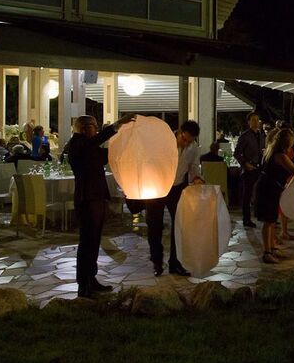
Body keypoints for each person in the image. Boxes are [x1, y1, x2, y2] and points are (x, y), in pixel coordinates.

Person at [69, 113, 135, 297]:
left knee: (95, 240)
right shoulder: (78, 144)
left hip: (96, 198)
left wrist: (127, 142)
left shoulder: (90, 146)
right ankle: (83, 284)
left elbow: (107, 155)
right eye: (94, 126)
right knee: (87, 242)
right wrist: (116, 126)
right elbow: (96, 142)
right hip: (87, 199)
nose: (96, 129)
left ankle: (92, 278)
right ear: (84, 128)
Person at [145, 120, 205, 277]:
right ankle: (157, 261)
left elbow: (193, 166)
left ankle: (175, 263)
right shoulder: (163, 141)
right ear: (180, 132)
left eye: (189, 141)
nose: (186, 144)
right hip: (157, 187)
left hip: (177, 187)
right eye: (184, 139)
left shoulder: (193, 148)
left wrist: (197, 177)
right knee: (154, 225)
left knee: (179, 225)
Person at [254, 128, 294, 264]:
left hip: (268, 187)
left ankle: (272, 248)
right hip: (269, 189)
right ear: (287, 142)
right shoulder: (280, 156)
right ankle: (267, 252)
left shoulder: (271, 151)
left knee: (272, 219)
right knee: (268, 220)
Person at [234, 112, 265, 228]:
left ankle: (259, 214)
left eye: (257, 120)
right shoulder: (245, 136)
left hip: (259, 167)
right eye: (253, 120)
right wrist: (245, 164)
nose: (256, 122)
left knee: (259, 192)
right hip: (249, 168)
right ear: (249, 122)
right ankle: (246, 219)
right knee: (247, 194)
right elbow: (237, 153)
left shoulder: (261, 135)